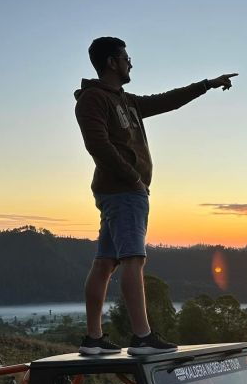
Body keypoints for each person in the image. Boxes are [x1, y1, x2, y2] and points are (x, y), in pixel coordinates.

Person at [74, 37, 237, 356]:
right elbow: (97, 145)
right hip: (123, 192)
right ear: (112, 62)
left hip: (120, 192)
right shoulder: (93, 100)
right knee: (133, 259)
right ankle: (142, 337)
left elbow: (167, 100)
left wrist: (206, 84)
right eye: (126, 57)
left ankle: (93, 338)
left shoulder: (126, 101)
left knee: (106, 261)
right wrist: (133, 178)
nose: (131, 62)